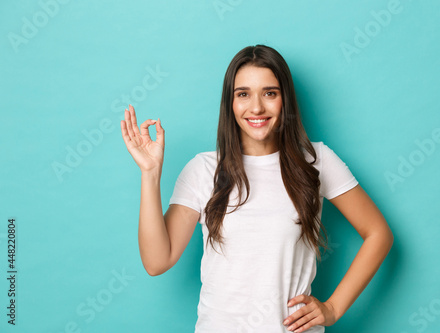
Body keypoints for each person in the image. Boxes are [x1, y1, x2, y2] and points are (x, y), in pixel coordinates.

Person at [120, 44, 394, 333]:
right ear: (230, 103)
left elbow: (378, 233)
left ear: (284, 99)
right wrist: (150, 174)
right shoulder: (203, 169)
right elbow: (156, 261)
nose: (257, 107)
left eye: (270, 93)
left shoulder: (317, 161)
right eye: (243, 94)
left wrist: (333, 308)